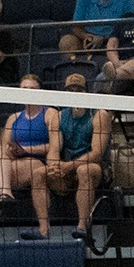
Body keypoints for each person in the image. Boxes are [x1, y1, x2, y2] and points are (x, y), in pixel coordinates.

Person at [0, 75, 52, 241]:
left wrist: (26, 149)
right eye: (23, 90)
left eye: (32, 89)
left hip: (37, 161)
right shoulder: (13, 118)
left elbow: (55, 146)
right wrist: (13, 151)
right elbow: (6, 147)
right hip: (16, 161)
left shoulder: (49, 113)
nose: (27, 93)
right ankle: (3, 197)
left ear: (40, 92)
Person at [42, 75, 110, 243]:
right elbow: (54, 149)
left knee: (84, 170)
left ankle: (82, 226)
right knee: (37, 173)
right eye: (70, 91)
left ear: (86, 92)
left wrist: (68, 166)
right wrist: (53, 165)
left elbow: (97, 153)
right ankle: (43, 229)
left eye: (78, 90)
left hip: (93, 166)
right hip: (67, 165)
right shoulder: (58, 116)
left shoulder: (99, 114)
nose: (74, 94)